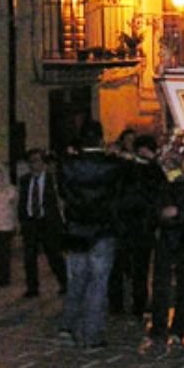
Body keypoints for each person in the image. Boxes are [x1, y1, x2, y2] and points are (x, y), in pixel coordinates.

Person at [57, 121, 126, 350]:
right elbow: (120, 194)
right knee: (98, 283)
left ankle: (67, 326)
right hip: (103, 229)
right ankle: (92, 334)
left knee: (76, 280)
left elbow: (64, 193)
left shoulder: (68, 165)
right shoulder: (113, 165)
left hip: (77, 227)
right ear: (100, 139)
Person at [145, 146, 184, 352]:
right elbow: (157, 204)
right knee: (161, 284)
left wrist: (178, 212)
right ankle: (158, 327)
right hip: (166, 237)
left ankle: (178, 328)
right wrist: (162, 215)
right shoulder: (170, 180)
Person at [116, 135, 167, 318]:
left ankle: (134, 304)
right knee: (132, 267)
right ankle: (126, 305)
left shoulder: (147, 170)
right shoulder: (132, 168)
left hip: (139, 226)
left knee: (137, 268)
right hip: (134, 225)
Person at [18, 148, 68, 298]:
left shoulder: (52, 180)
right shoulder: (25, 180)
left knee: (53, 254)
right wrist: (22, 219)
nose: (35, 164)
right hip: (31, 221)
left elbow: (60, 200)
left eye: (38, 161)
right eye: (32, 161)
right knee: (29, 256)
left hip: (48, 222)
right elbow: (23, 201)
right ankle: (32, 288)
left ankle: (65, 282)